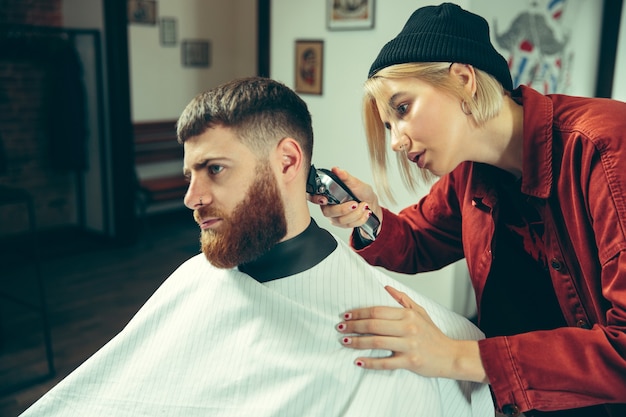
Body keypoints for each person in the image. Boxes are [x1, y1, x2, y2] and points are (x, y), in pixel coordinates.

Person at [19, 77, 494, 417]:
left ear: (288, 161)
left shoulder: (417, 338)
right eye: (190, 174)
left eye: (215, 170)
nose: (191, 198)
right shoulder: (194, 280)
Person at [313, 3, 626, 417]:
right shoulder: (471, 174)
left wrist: (452, 356)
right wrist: (367, 215)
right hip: (514, 402)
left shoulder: (605, 147)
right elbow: (417, 240)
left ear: (463, 80)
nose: (395, 142)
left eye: (402, 109)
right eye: (389, 125)